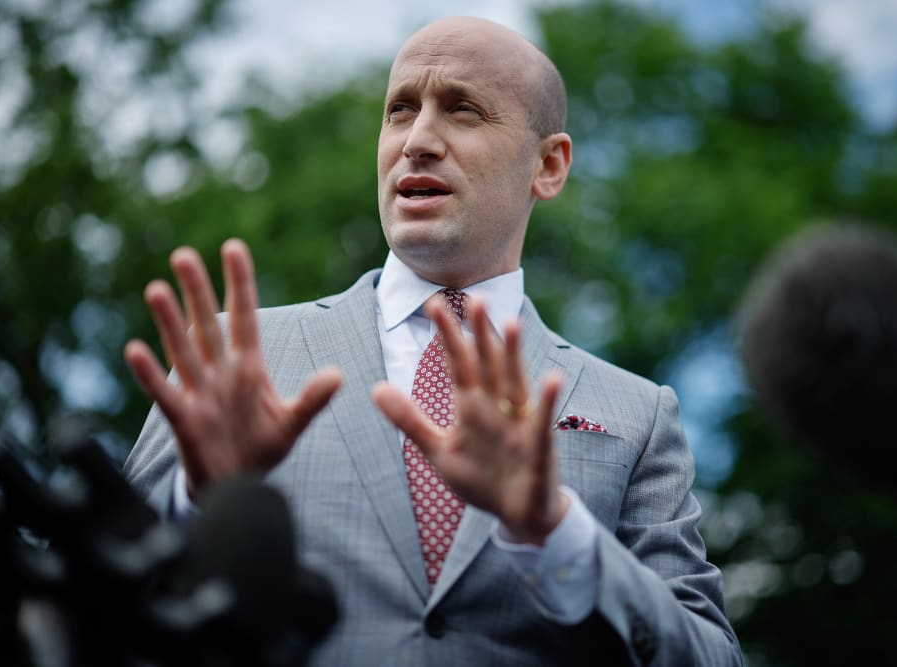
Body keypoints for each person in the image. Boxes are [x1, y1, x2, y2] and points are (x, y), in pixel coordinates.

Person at [123, 16, 742, 666]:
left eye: (463, 110)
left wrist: (556, 535)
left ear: (549, 164)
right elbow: (85, 605)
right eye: (400, 110)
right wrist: (197, 505)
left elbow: (711, 654)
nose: (417, 140)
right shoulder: (236, 356)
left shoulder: (638, 415)